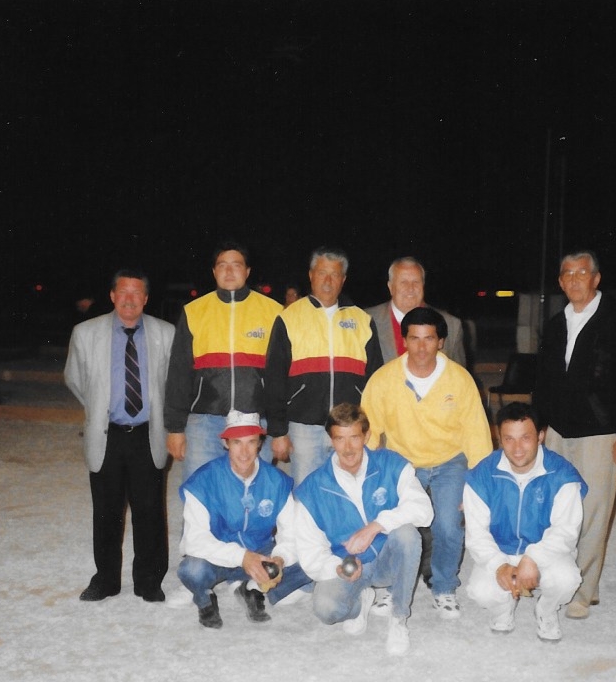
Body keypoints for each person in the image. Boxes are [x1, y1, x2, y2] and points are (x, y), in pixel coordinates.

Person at [534, 250, 616, 621]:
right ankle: (556, 578)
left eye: (582, 272)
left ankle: (582, 592)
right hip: (557, 432)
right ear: (560, 281)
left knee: (591, 513)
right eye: (567, 273)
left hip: (601, 434)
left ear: (596, 278)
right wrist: (539, 424)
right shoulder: (556, 324)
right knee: (556, 509)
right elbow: (543, 379)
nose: (574, 279)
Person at [359, 307, 492, 620]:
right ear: (404, 340)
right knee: (397, 523)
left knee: (448, 524)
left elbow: (476, 432)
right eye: (414, 338)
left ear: (441, 342)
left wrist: (479, 483)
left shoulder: (460, 379)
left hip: (450, 461)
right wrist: (368, 475)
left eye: (429, 339)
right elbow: (369, 431)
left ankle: (444, 588)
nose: (421, 347)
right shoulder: (384, 379)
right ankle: (390, 586)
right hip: (404, 462)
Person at [64, 269, 176, 603]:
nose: (129, 299)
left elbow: (172, 384)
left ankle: (149, 580)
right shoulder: (86, 333)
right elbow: (75, 378)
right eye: (123, 292)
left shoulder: (166, 333)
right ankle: (106, 580)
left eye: (137, 293)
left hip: (148, 434)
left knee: (149, 511)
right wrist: (100, 407)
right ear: (112, 296)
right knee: (106, 511)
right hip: (107, 434)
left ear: (146, 298)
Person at [288, 403, 433, 656]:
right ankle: (362, 601)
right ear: (330, 440)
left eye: (354, 437)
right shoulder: (313, 488)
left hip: (389, 560)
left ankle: (399, 618)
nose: (348, 448)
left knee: (407, 534)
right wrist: (336, 567)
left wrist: (375, 526)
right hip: (349, 565)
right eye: (340, 439)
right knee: (326, 609)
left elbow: (423, 510)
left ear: (366, 436)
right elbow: (310, 553)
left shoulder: (392, 464)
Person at [176, 411, 310, 628]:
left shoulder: (277, 481)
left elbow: (291, 533)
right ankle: (204, 599)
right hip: (217, 555)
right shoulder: (203, 481)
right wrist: (242, 557)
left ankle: (251, 589)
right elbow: (194, 541)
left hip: (261, 552)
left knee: (312, 558)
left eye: (251, 442)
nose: (245, 452)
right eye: (237, 442)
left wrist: (280, 558)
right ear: (225, 443)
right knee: (191, 570)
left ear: (260, 443)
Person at [463, 402, 585, 642]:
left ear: (540, 436)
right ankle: (503, 610)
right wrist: (499, 565)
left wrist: (533, 558)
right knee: (481, 591)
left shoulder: (562, 474)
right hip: (501, 551)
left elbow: (566, 531)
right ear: (499, 438)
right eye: (509, 439)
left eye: (525, 438)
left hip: (545, 552)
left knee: (567, 579)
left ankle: (546, 611)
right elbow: (476, 534)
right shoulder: (481, 476)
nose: (517, 448)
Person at [264, 247, 383, 484]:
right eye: (321, 273)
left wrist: (372, 427)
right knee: (307, 493)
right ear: (311, 275)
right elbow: (274, 378)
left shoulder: (362, 320)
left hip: (349, 428)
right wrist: (278, 432)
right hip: (303, 429)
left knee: (349, 491)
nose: (328, 281)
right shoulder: (288, 318)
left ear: (343, 279)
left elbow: (376, 380)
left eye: (334, 274)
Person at [164, 241, 282, 478]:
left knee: (253, 492)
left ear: (247, 271)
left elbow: (280, 376)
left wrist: (279, 429)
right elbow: (178, 374)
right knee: (202, 490)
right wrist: (175, 428)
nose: (229, 271)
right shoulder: (194, 311)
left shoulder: (274, 311)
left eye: (236, 265)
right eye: (222, 265)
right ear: (214, 271)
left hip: (256, 422)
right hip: (204, 423)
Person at [365, 256, 467, 367]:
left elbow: (459, 375)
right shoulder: (365, 321)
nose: (410, 288)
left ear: (423, 285)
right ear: (390, 287)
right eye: (403, 282)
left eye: (416, 282)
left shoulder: (451, 325)